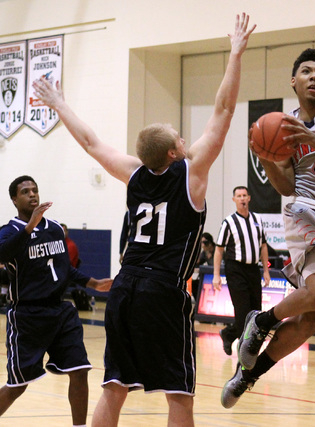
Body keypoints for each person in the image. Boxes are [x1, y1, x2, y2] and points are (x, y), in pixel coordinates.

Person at [33, 14, 255, 427]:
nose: (185, 139)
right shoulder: (192, 174)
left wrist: (59, 103)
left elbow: (90, 142)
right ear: (172, 153)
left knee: (114, 386)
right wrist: (236, 53)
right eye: (178, 137)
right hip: (161, 291)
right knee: (179, 395)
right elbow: (224, 111)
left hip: (125, 286)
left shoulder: (133, 172)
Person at [221, 47, 315, 408]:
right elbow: (286, 187)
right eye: (307, 72)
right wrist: (267, 159)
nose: (314, 76)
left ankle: (248, 374)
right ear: (294, 81)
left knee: (311, 321)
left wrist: (313, 139)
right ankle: (261, 321)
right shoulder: (281, 126)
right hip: (305, 212)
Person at [0, 175, 112, 425]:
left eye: (35, 190)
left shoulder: (53, 229)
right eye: (25, 191)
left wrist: (92, 283)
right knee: (18, 385)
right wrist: (29, 227)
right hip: (27, 316)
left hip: (60, 312)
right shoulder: (9, 232)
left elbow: (64, 268)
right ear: (14, 199)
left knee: (80, 370)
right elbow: (3, 254)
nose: (32, 195)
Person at [213, 185, 270, 356]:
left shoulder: (257, 219)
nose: (242, 198)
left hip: (253, 269)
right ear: (234, 200)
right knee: (243, 311)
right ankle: (244, 353)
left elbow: (263, 245)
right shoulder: (229, 222)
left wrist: (266, 271)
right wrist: (216, 274)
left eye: (245, 195)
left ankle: (228, 333)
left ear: (249, 198)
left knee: (255, 312)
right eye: (239, 196)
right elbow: (219, 249)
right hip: (235, 269)